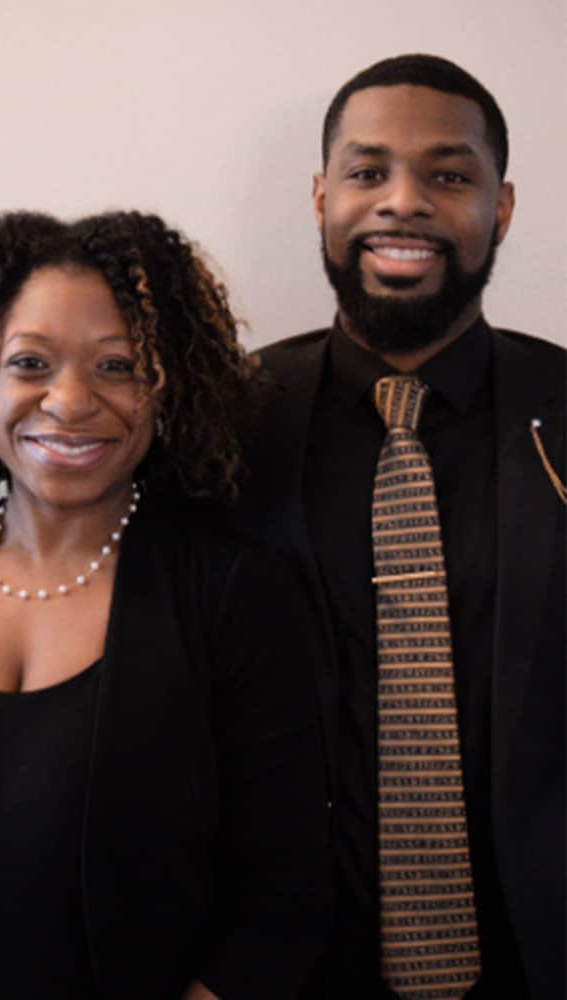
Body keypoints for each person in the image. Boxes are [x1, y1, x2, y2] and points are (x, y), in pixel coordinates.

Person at [0, 210, 332, 999]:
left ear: (170, 387)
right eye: (31, 362)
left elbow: (284, 902)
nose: (71, 400)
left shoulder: (235, 599)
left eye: (117, 366)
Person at [237, 54, 565, 999]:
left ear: (500, 208)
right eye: (368, 172)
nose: (404, 202)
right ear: (321, 196)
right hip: (284, 965)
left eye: (449, 176)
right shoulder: (223, 422)